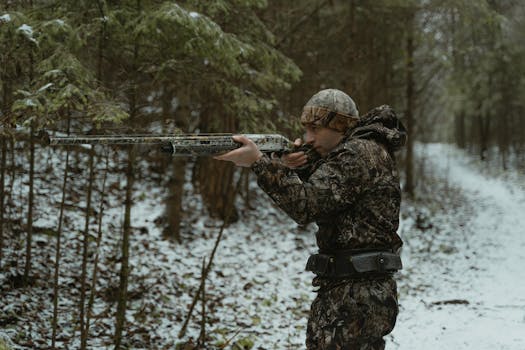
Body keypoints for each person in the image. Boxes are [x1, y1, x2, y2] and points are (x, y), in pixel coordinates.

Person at [214, 89, 406, 350]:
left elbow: (307, 204)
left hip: (354, 294)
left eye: (315, 129)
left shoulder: (356, 154)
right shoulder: (364, 150)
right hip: (359, 290)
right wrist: (296, 167)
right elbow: (334, 193)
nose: (308, 138)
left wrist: (259, 163)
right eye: (306, 129)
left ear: (338, 125)